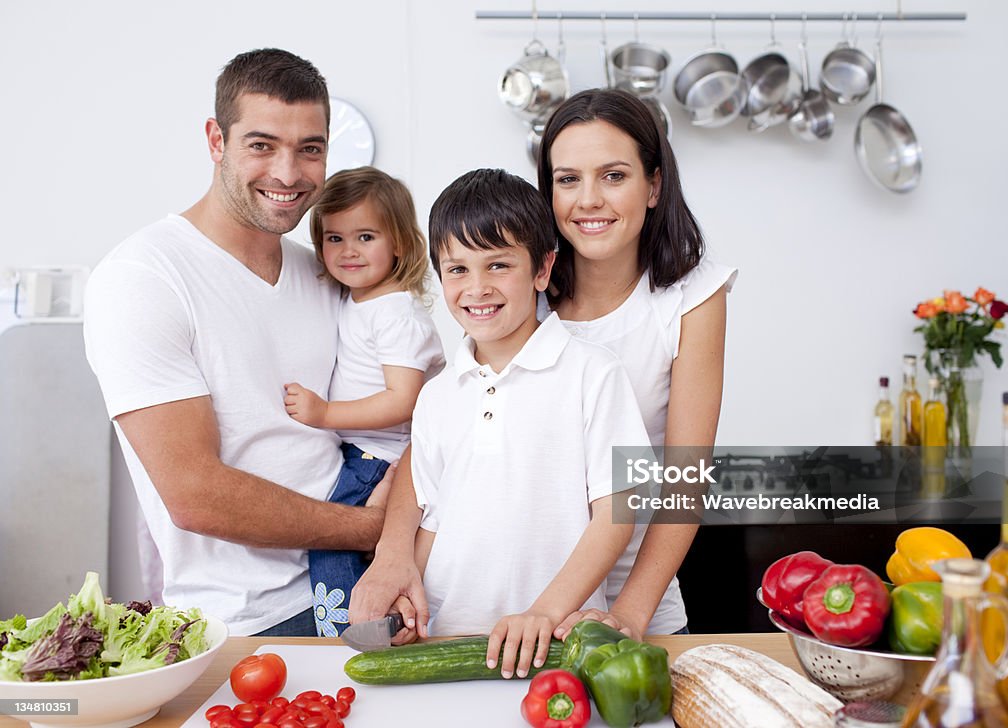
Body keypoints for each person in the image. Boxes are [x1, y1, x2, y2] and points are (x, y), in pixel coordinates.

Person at [350, 88, 736, 640]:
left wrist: (627, 613)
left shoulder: (688, 295)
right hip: (499, 606)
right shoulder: (510, 290)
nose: (589, 200)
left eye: (614, 176)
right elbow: (442, 439)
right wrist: (394, 554)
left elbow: (684, 477)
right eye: (568, 179)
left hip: (630, 588)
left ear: (653, 185)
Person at [83, 48, 389, 637]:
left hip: (368, 587)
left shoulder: (327, 273)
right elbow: (196, 495)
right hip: (252, 620)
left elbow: (394, 416)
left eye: (310, 149)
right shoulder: (143, 278)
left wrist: (394, 543)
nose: (288, 173)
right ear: (216, 140)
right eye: (261, 145)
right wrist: (374, 530)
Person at [392, 168, 647, 679]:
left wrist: (546, 611)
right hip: (451, 641)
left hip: (555, 641)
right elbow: (434, 517)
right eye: (457, 269)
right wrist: (409, 592)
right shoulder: (437, 394)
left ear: (542, 268)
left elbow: (619, 509)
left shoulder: (593, 373)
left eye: (498, 265)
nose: (477, 288)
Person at [282, 167, 445, 637]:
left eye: (366, 236)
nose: (347, 251)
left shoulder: (395, 313)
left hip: (382, 456)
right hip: (365, 453)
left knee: (331, 540)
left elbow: (404, 398)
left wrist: (326, 414)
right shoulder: (359, 300)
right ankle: (378, 625)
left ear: (399, 243)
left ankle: (352, 636)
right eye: (333, 238)